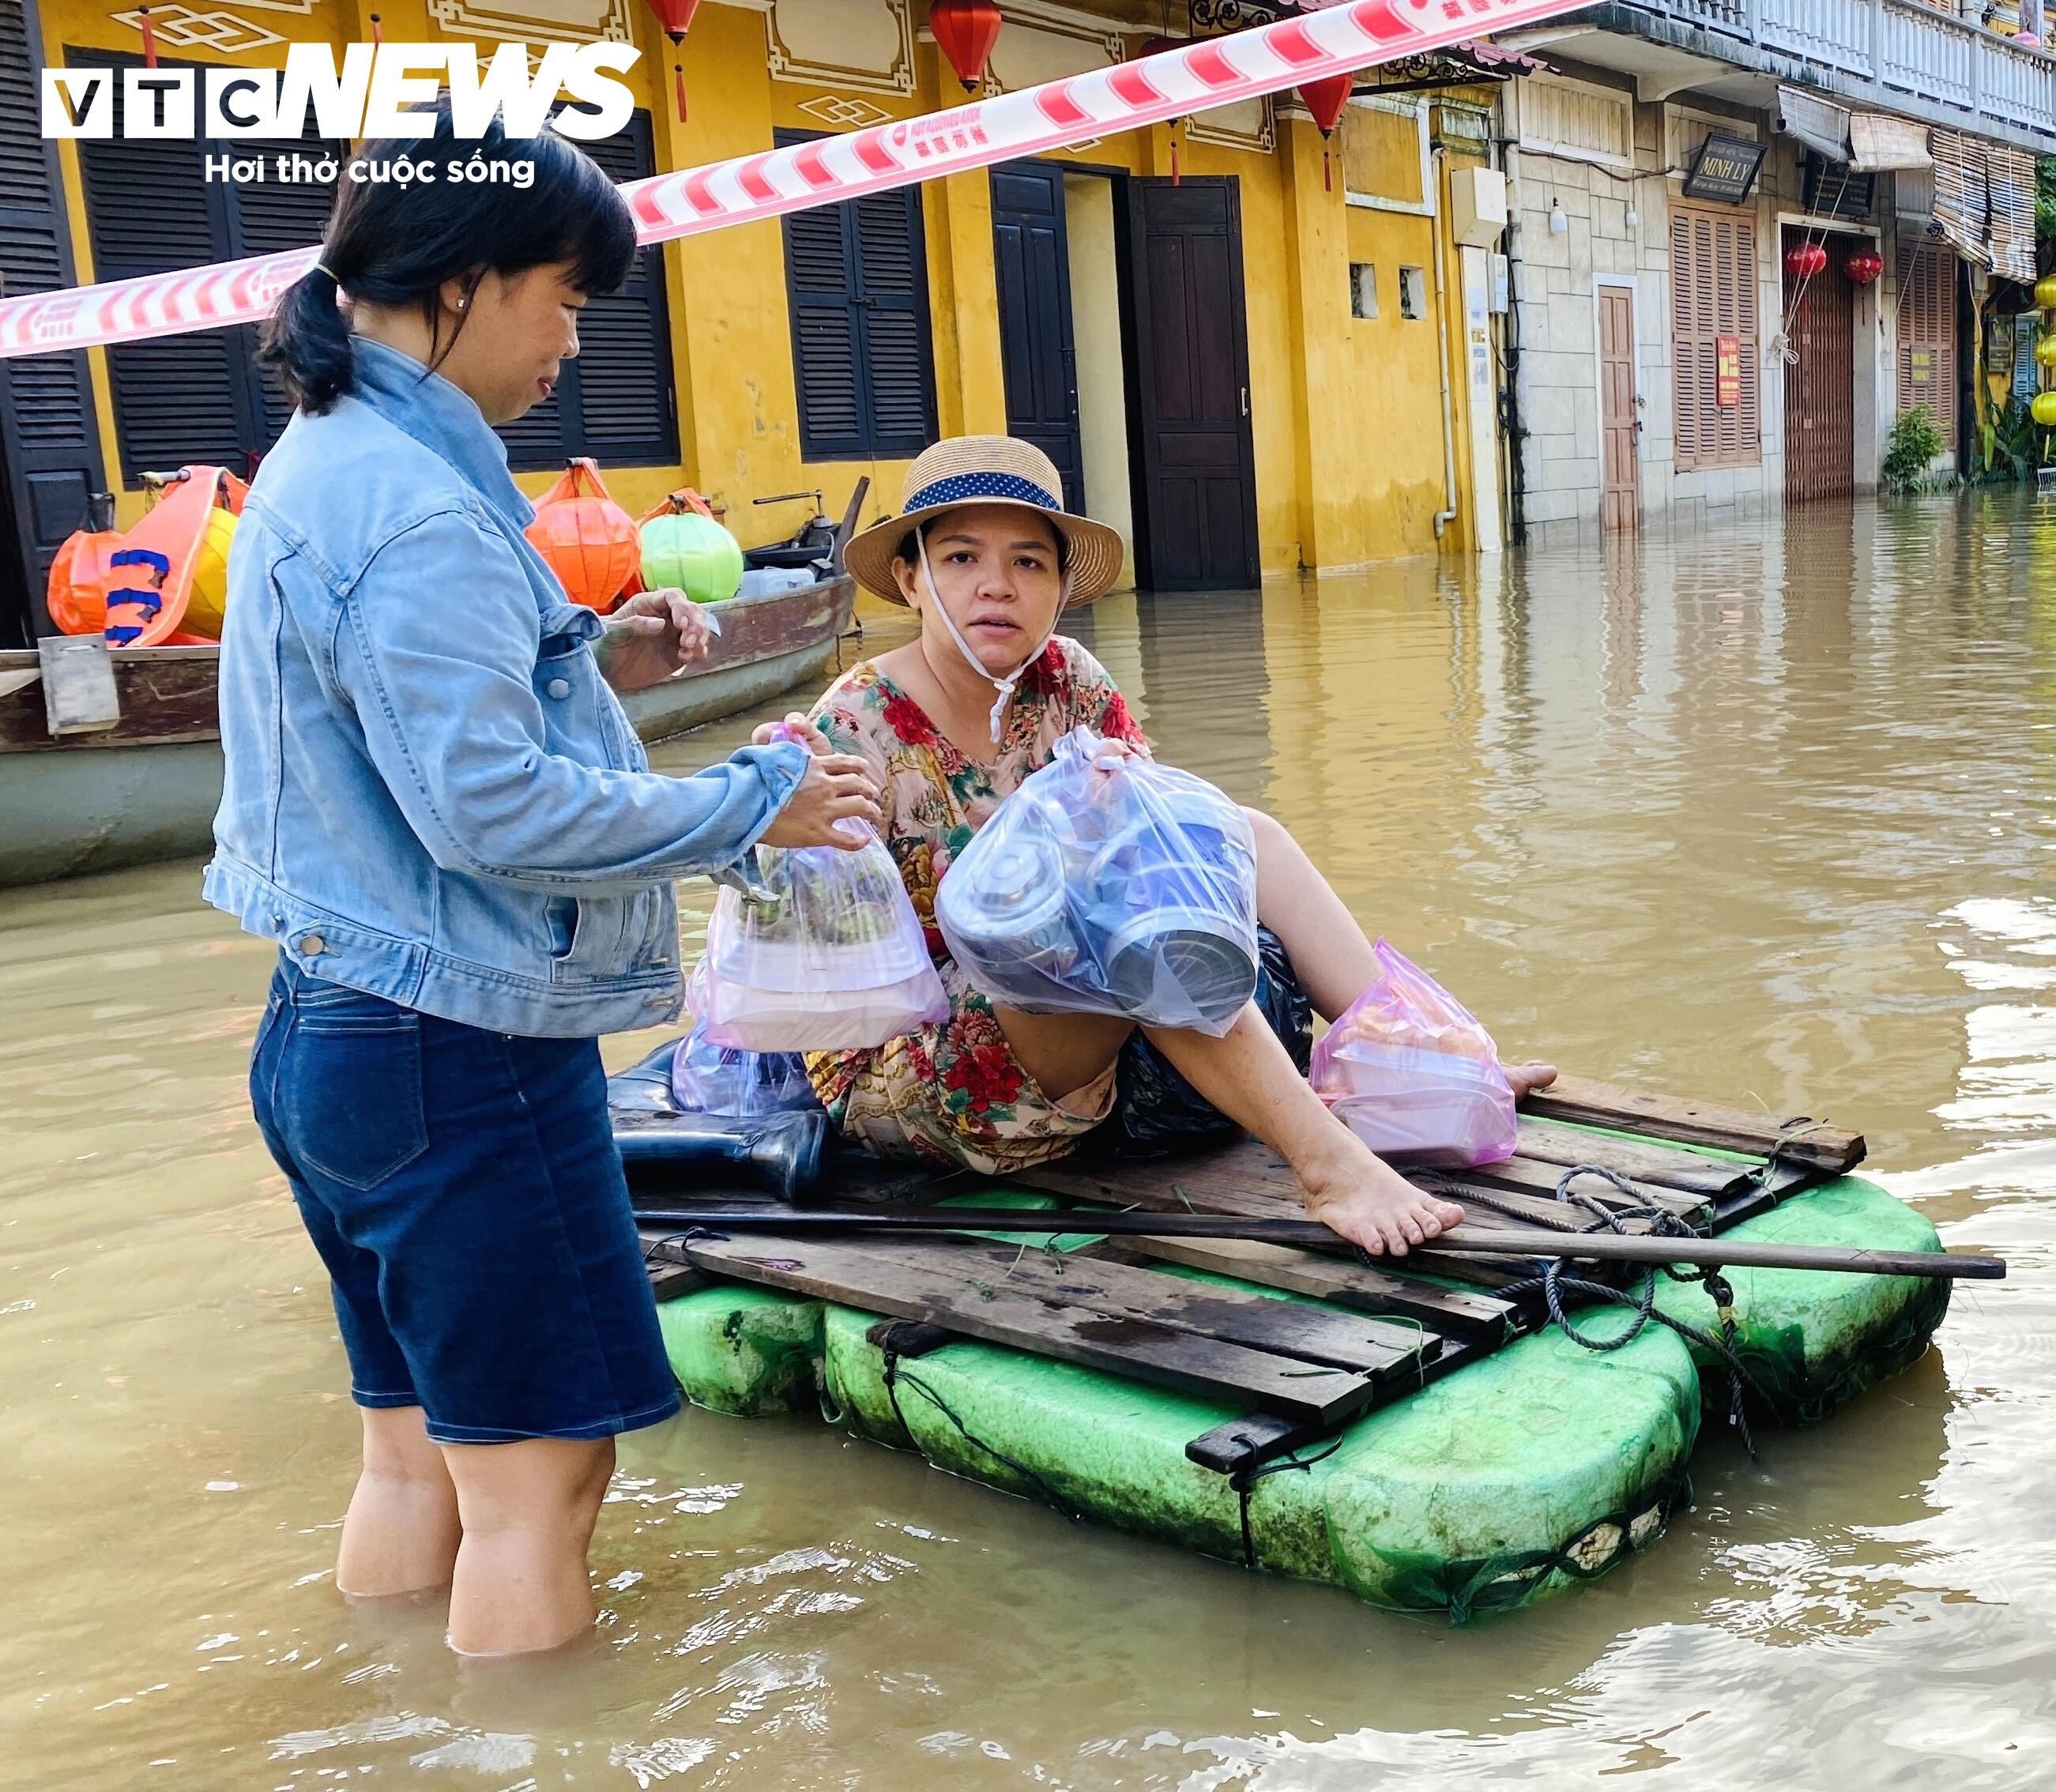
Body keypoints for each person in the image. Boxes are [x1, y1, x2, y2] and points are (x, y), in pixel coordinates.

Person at [207, 114, 883, 1658]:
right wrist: (749, 806)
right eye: (565, 300)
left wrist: (593, 657)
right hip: (461, 1057)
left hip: (335, 1030)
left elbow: (393, 744)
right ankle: (535, 1745)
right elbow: (489, 812)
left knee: (418, 1454)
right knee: (542, 1481)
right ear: (465, 278)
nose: (574, 344)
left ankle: (390, 1719)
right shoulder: (429, 508)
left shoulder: (322, 461)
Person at [775, 436, 1550, 1254]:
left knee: (1244, 837)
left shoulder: (1068, 681)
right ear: (911, 578)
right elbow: (808, 951)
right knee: (1121, 927)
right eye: (962, 557)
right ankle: (1329, 1168)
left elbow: (1167, 850)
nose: (997, 586)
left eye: (1030, 564)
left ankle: (1415, 1060)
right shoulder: (850, 725)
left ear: (1061, 587)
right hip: (913, 1056)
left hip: (1076, 1005)